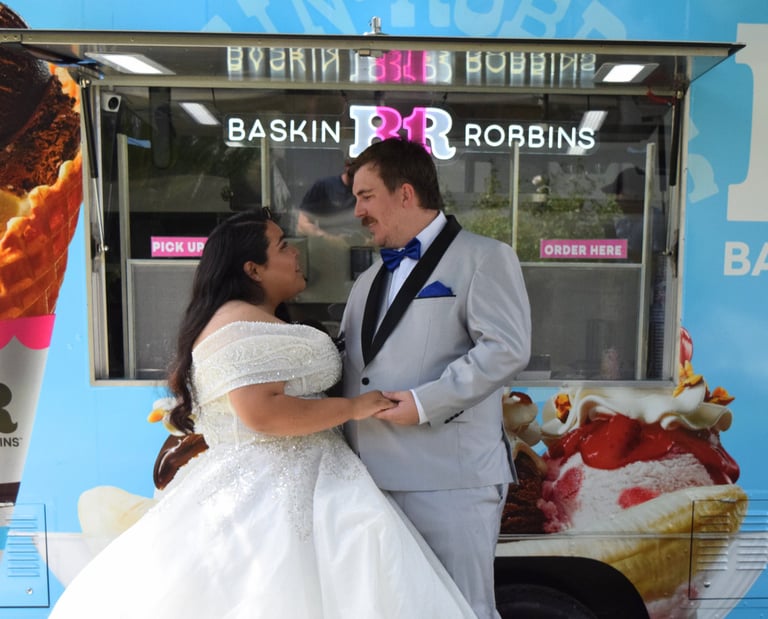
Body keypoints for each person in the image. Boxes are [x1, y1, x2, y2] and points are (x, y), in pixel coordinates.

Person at [49, 207, 476, 618]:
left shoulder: (247, 319)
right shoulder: (238, 325)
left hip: (295, 481)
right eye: (283, 245)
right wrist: (354, 407)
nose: (296, 254)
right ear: (252, 268)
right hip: (274, 490)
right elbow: (261, 414)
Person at [340, 138, 532, 619]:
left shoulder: (485, 257)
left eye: (366, 196)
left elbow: (506, 348)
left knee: (460, 610)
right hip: (370, 482)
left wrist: (426, 403)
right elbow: (352, 368)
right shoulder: (366, 281)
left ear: (405, 193)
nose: (357, 210)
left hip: (451, 482)